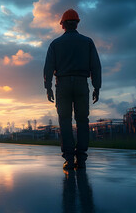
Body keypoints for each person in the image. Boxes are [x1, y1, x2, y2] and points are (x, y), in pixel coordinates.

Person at [43, 9, 101, 170]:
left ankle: (69, 159)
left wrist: (48, 88)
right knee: (82, 120)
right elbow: (95, 66)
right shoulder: (87, 42)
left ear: (62, 25)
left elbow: (48, 68)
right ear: (76, 23)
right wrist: (97, 86)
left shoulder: (55, 44)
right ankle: (81, 159)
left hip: (63, 85)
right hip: (82, 84)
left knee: (65, 121)